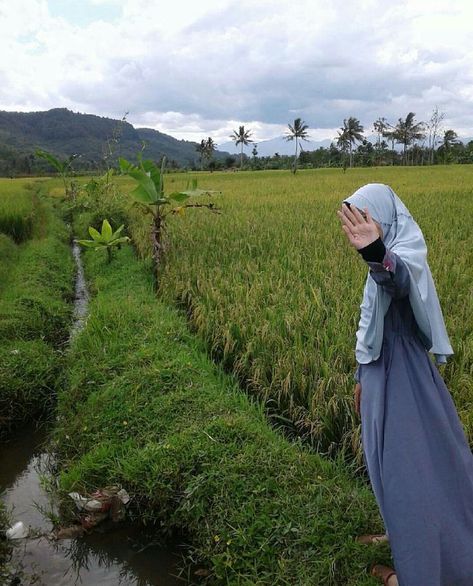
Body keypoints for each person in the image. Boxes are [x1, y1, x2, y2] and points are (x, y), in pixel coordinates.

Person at [336, 183, 473, 586]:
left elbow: (396, 283)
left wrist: (375, 254)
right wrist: (363, 376)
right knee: (381, 463)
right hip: (379, 376)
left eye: (366, 216)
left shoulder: (402, 259)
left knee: (408, 475)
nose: (358, 225)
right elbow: (368, 327)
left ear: (386, 219)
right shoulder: (378, 261)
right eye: (354, 217)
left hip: (404, 379)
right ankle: (399, 532)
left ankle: (414, 572)